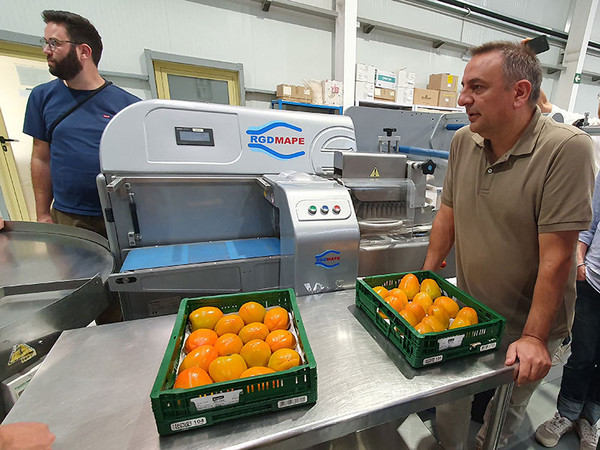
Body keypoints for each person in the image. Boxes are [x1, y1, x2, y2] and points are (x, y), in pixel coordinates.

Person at [422, 41, 595, 449]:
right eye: (464, 87)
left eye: (477, 88)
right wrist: (425, 277)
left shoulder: (566, 149)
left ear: (519, 92)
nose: (463, 99)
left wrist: (534, 337)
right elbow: (447, 213)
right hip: (470, 308)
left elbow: (558, 256)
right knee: (451, 401)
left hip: (530, 319)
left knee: (508, 406)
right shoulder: (464, 140)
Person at [24, 10, 140, 238]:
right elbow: (40, 157)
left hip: (120, 214)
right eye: (45, 42)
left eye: (54, 43)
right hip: (68, 215)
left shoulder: (130, 106)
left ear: (83, 51)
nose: (46, 50)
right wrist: (42, 214)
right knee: (74, 272)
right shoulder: (42, 97)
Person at [535, 173, 600, 450]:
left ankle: (590, 418)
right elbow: (591, 218)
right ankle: (567, 414)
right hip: (593, 281)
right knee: (582, 355)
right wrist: (580, 261)